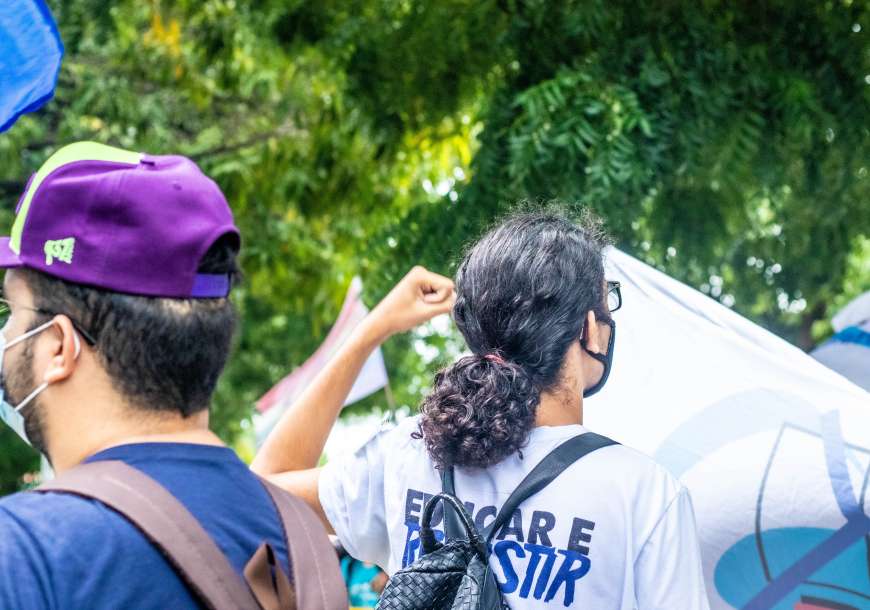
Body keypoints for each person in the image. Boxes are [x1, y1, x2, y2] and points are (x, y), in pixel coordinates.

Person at [253, 209, 711, 608]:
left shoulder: (408, 453)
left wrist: (372, 331)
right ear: (589, 328)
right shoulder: (644, 494)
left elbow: (261, 487)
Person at [0, 142, 340, 609]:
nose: (6, 336)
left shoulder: (25, 554)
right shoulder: (301, 536)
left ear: (59, 345)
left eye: (13, 312)